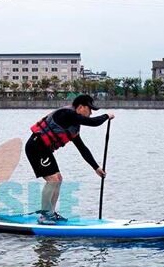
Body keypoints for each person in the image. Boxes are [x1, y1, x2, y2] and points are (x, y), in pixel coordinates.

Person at [25, 94, 115, 224]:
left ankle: (50, 214)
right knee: (53, 180)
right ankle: (45, 216)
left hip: (43, 149)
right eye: (89, 110)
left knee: (58, 179)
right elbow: (93, 122)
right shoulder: (67, 114)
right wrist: (107, 116)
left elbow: (82, 149)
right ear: (80, 107)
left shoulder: (73, 126)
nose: (90, 113)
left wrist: (96, 168)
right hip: (35, 147)